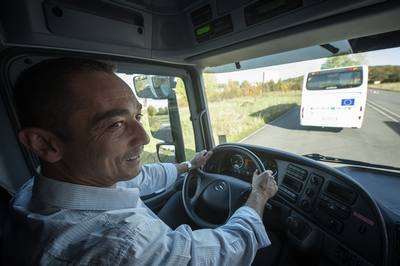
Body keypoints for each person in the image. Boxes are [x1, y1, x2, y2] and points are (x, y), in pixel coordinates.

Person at [3, 57, 278, 265]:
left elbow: (141, 177)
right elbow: (229, 249)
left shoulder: (32, 192)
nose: (144, 137)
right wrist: (258, 195)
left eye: (137, 117)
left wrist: (188, 166)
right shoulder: (125, 246)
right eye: (115, 124)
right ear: (45, 143)